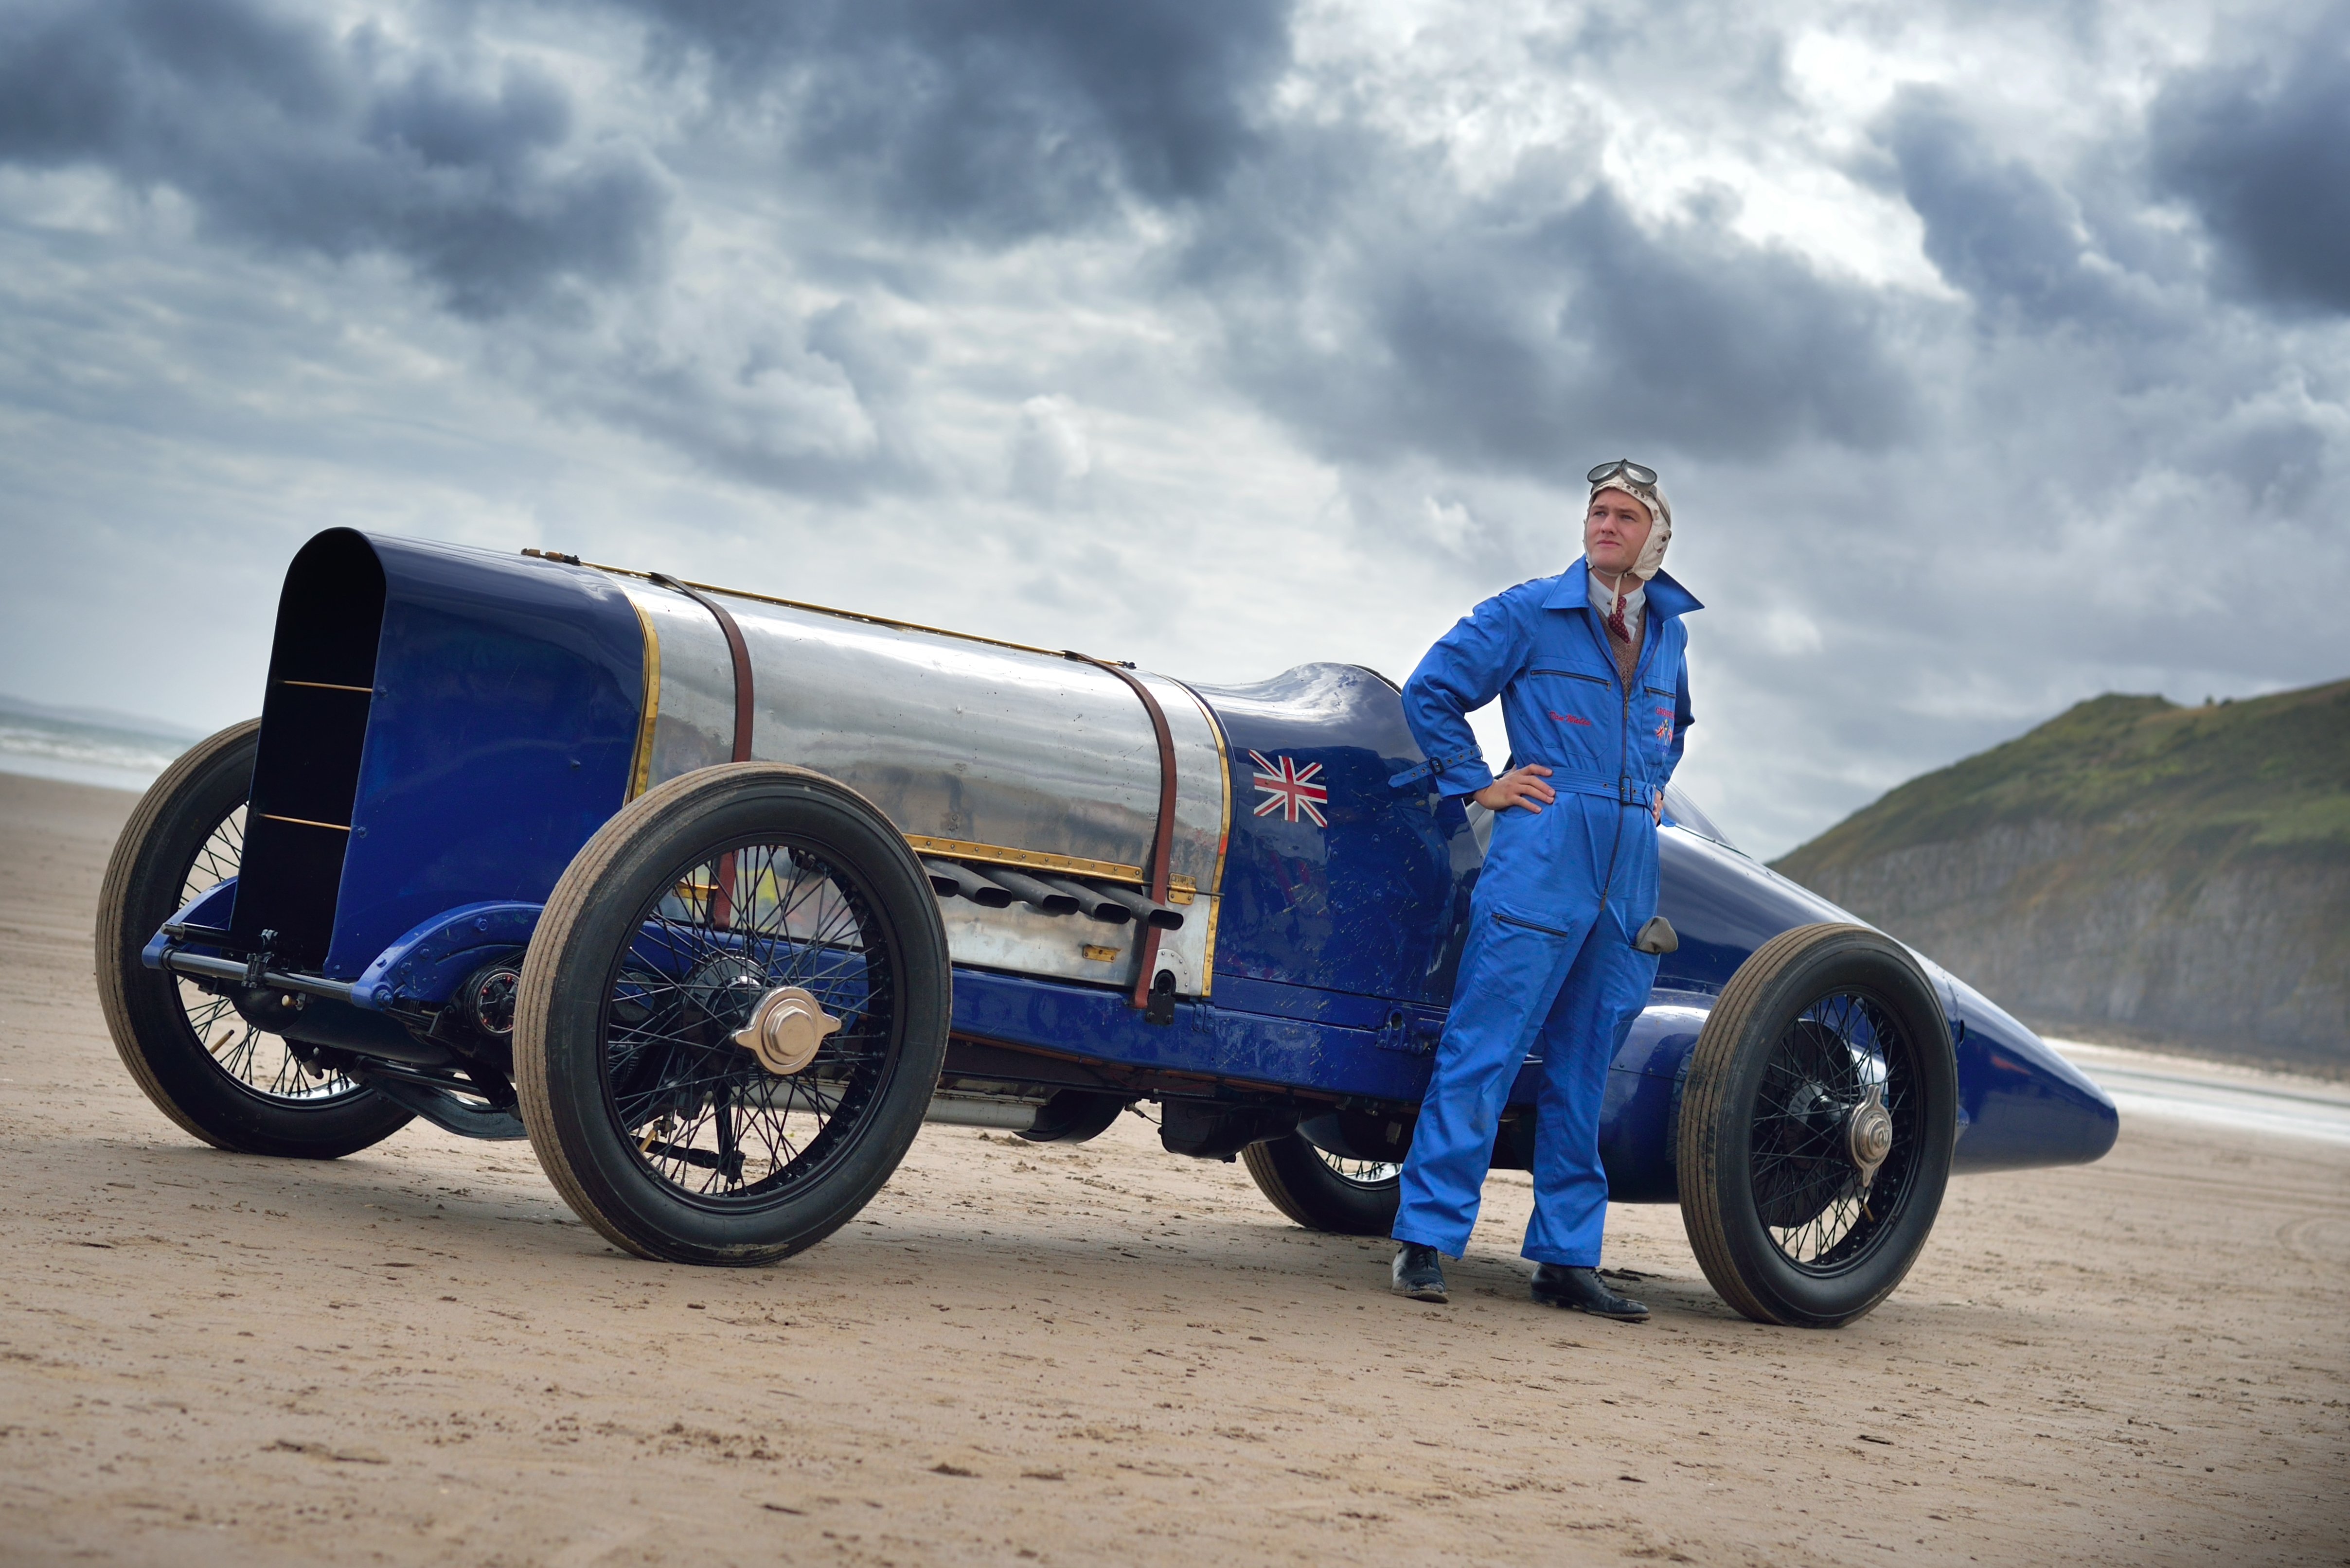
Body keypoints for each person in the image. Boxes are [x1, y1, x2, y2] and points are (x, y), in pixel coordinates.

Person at [1385, 459, 1699, 1317]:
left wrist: (1650, 783)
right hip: (1545, 848)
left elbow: (1675, 725)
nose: (1605, 524)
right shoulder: (1530, 610)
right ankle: (1425, 1240)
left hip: (1630, 866)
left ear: (1655, 538)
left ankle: (1565, 1257)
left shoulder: (1668, 630)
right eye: (1597, 511)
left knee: (1587, 1063)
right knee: (1484, 1044)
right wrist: (1477, 781)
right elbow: (1433, 691)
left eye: (1626, 516)